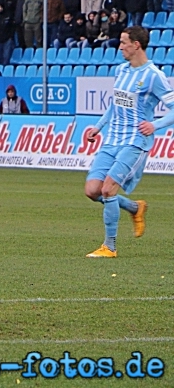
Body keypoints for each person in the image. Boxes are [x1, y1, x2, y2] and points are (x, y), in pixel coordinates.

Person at [84, 27, 174, 258]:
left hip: (135, 142)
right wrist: (98, 126)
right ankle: (135, 208)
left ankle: (109, 247)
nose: (120, 46)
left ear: (137, 45)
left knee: (108, 189)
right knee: (93, 191)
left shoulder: (154, 75)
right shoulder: (122, 70)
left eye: (124, 42)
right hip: (112, 138)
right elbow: (115, 105)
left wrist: (156, 125)